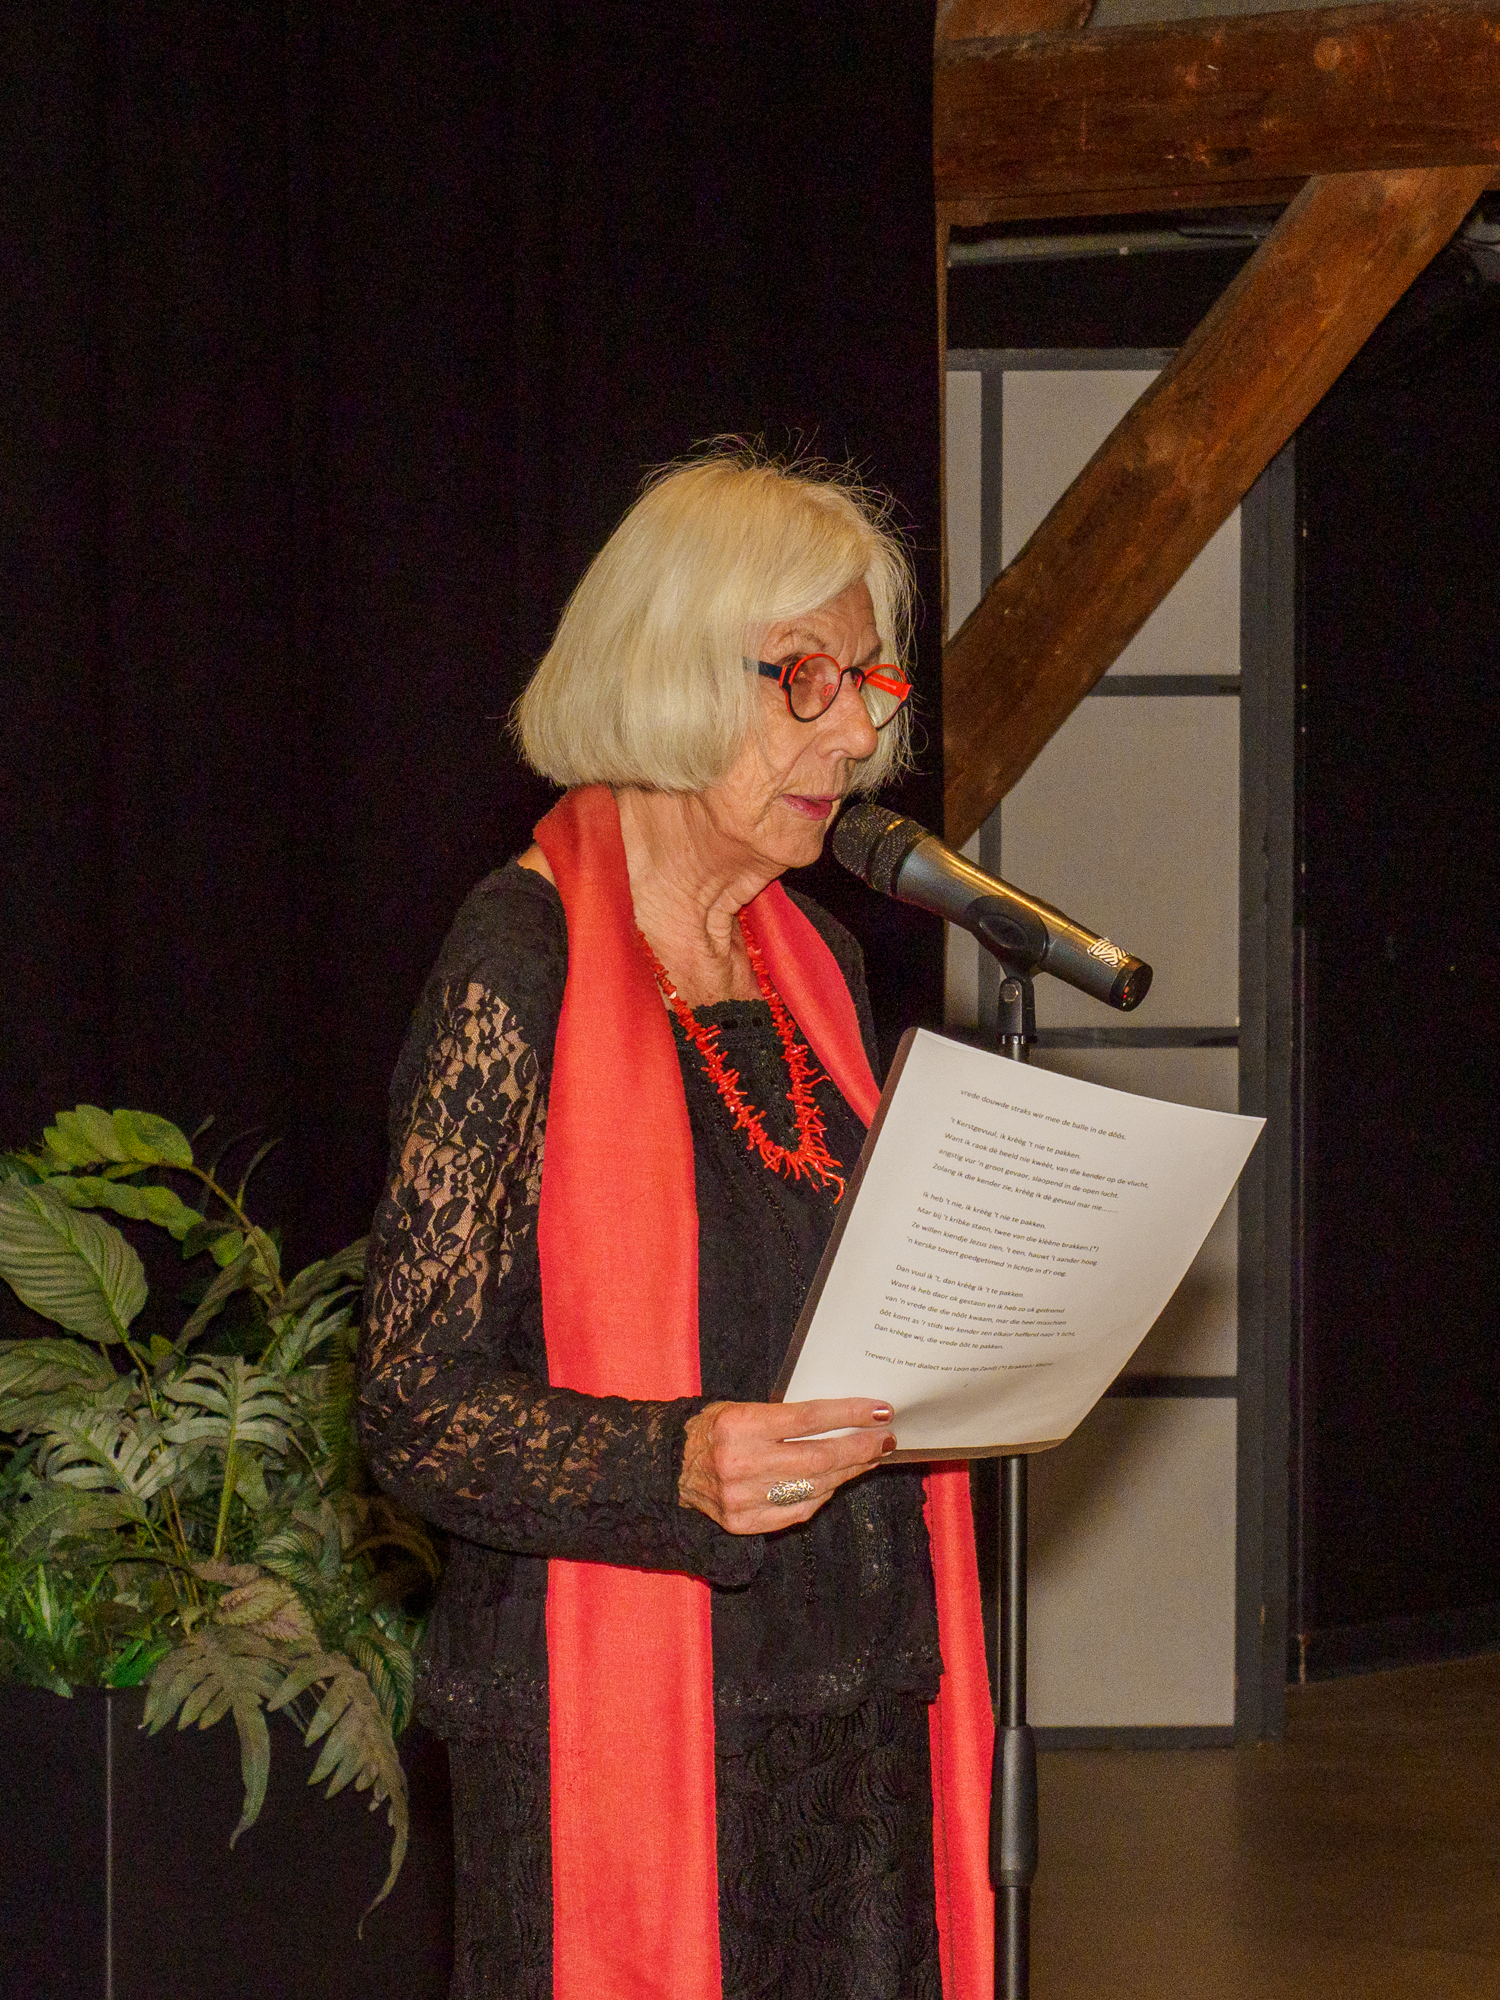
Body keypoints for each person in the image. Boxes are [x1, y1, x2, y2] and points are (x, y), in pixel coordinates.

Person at [357, 449, 993, 2000]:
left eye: (868, 681)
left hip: (855, 1704)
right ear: (669, 671)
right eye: (806, 680)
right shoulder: (519, 961)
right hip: (610, 1724)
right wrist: (674, 1463)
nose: (858, 733)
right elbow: (416, 1406)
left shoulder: (816, 964)